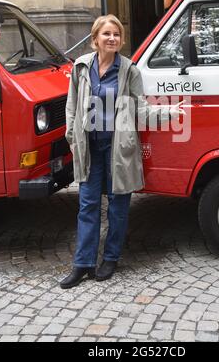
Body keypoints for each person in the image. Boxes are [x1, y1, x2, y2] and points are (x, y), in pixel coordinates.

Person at [60, 15, 183, 289]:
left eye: (116, 34)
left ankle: (111, 258)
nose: (112, 38)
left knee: (118, 207)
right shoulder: (81, 68)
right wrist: (71, 137)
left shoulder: (129, 71)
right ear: (96, 39)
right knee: (88, 206)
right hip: (90, 148)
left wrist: (170, 113)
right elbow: (72, 107)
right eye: (107, 34)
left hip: (118, 147)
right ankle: (83, 264)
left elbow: (140, 111)